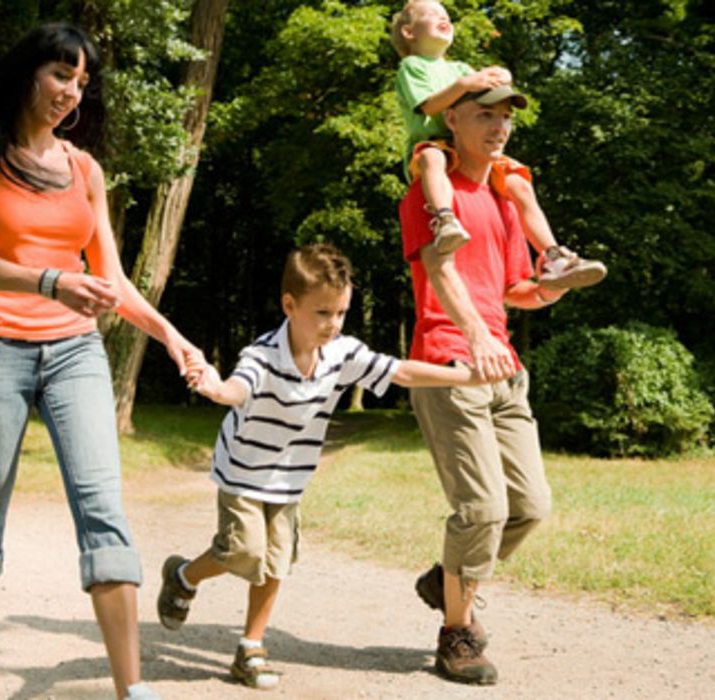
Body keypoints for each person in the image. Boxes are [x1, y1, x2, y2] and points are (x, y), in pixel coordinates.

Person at [0, 23, 202, 700]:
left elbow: (109, 278)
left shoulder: (84, 169)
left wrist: (172, 337)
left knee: (103, 507)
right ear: (28, 73)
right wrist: (50, 281)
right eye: (60, 74)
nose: (70, 91)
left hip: (75, 351)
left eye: (81, 81)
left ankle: (131, 690)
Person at [156, 243, 489, 690]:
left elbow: (402, 372)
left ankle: (250, 647)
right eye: (322, 313)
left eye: (341, 313)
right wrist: (216, 389)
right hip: (244, 471)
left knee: (276, 562)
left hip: (290, 478)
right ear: (289, 305)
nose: (333, 325)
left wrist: (468, 376)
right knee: (243, 552)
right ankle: (182, 576)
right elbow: (238, 388)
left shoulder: (341, 353)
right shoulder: (263, 355)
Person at [397, 84, 559, 686]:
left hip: (503, 370)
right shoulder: (427, 193)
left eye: (506, 118)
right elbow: (440, 270)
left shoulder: (501, 200)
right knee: (482, 508)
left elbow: (516, 287)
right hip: (449, 363)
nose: (499, 127)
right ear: (454, 121)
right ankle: (455, 634)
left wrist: (549, 289)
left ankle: (446, 581)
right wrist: (475, 336)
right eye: (484, 115)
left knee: (530, 506)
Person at [390, 0, 606, 289]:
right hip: (433, 143)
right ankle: (444, 219)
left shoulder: (460, 68)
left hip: (466, 144)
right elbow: (430, 107)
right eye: (432, 15)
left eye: (446, 15)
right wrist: (467, 84)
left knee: (520, 184)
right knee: (432, 159)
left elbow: (484, 93)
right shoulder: (412, 67)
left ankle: (553, 255)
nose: (444, 19)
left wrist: (499, 76)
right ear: (408, 32)